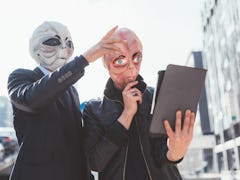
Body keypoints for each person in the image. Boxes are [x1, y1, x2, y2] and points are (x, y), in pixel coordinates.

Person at [7, 21, 125, 180]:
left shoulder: (71, 92)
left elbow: (76, 144)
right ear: (35, 48)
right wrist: (85, 59)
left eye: (69, 43)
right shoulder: (21, 77)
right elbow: (31, 99)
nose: (63, 48)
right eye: (53, 42)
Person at [83, 27, 195, 180]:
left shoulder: (157, 96)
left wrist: (176, 151)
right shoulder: (94, 109)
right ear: (106, 64)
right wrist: (126, 115)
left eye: (136, 58)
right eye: (120, 61)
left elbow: (164, 152)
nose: (131, 69)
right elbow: (95, 162)